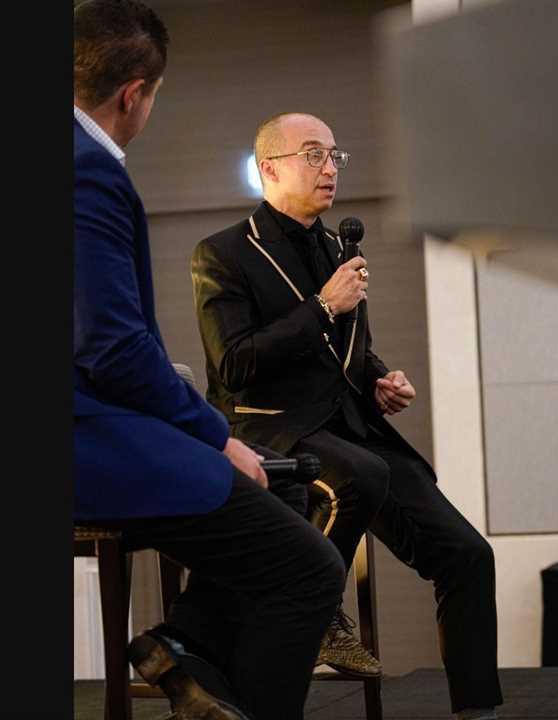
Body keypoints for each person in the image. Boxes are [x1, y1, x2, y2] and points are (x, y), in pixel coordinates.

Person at [73, 6, 344, 718]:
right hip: (84, 432)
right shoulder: (87, 171)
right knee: (311, 567)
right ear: (135, 93)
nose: (326, 168)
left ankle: (183, 648)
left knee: (279, 479)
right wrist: (213, 436)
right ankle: (190, 656)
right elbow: (115, 350)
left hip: (101, 413)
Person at [190, 112, 504, 719]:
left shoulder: (339, 246)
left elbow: (345, 351)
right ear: (269, 168)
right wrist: (321, 306)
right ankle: (316, 609)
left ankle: (478, 712)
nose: (330, 168)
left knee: (469, 555)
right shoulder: (222, 253)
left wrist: (379, 378)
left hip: (352, 426)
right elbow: (234, 364)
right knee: (361, 472)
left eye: (335, 155)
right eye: (313, 155)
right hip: (271, 426)